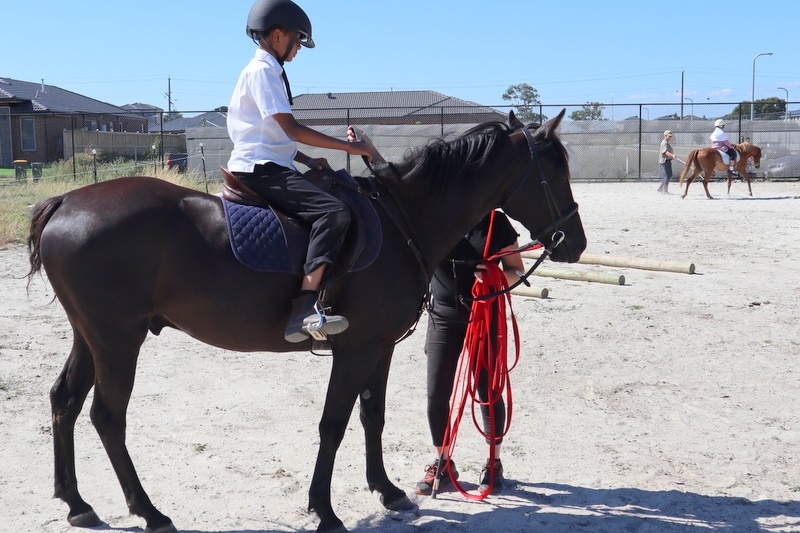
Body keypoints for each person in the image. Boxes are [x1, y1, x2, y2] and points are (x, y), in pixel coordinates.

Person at [227, 0, 383, 343]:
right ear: (277, 34)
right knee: (333, 212)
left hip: (268, 160)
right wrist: (353, 148)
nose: (298, 48)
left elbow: (273, 133)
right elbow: (291, 128)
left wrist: (309, 161)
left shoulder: (269, 71)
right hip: (260, 168)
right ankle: (304, 306)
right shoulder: (263, 71)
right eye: (297, 40)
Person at [416, 210, 524, 496]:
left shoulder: (496, 224)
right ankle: (442, 461)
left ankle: (493, 462)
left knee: (487, 391)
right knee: (436, 392)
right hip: (442, 316)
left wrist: (497, 275)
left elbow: (517, 270)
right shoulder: (434, 217)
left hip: (485, 315)